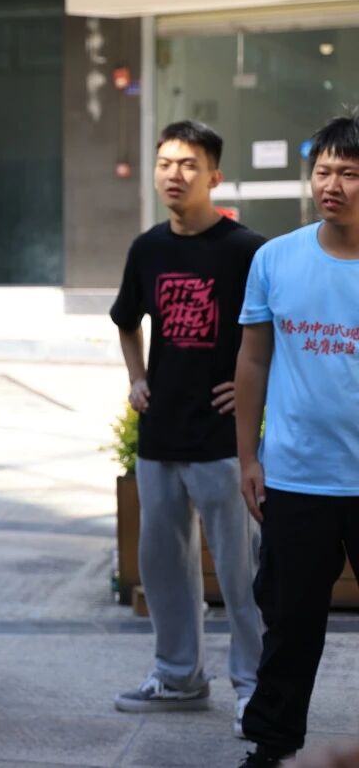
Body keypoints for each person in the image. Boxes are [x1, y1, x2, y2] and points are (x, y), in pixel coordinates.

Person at [109, 120, 265, 728]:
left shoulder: (246, 250)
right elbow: (127, 320)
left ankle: (254, 687)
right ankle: (178, 678)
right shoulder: (147, 248)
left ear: (214, 176)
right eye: (165, 163)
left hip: (223, 439)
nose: (174, 174)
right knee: (164, 568)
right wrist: (136, 377)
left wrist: (254, 390)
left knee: (241, 573)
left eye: (189, 164)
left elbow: (276, 332)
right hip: (161, 435)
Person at [234, 116, 359, 768]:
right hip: (296, 476)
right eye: (323, 171)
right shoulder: (275, 259)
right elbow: (253, 361)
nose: (331, 185)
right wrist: (248, 457)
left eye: (349, 173)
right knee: (289, 623)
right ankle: (272, 744)